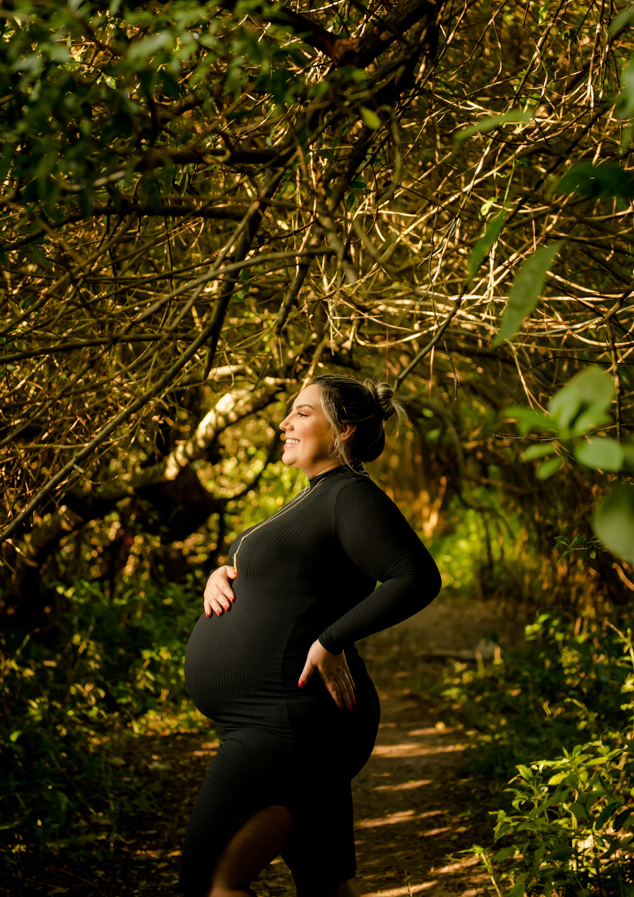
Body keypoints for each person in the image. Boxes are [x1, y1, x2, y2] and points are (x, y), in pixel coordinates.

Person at [179, 374, 442, 897]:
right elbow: (290, 578)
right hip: (288, 723)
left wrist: (331, 639)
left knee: (211, 883)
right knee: (324, 885)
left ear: (343, 430)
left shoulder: (350, 494)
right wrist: (224, 573)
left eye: (302, 412)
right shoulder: (318, 497)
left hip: (285, 722)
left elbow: (415, 576)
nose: (284, 422)